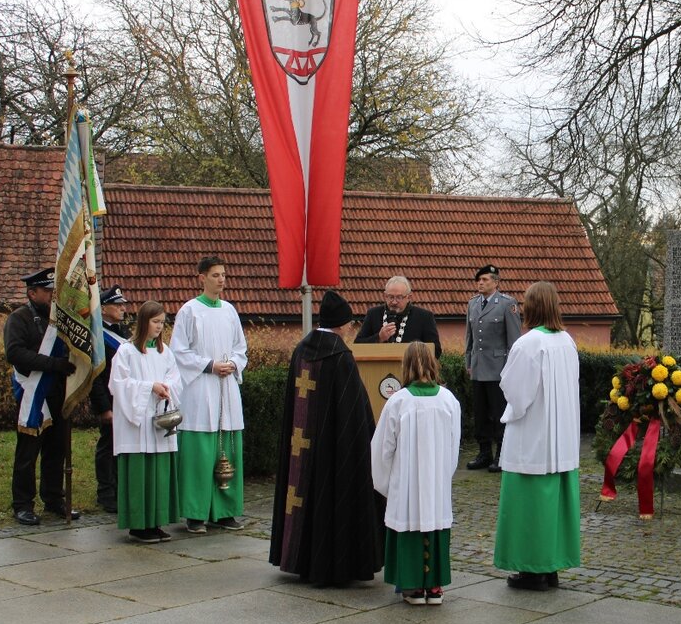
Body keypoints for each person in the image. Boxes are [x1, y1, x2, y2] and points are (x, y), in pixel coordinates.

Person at [270, 290, 385, 585]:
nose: (350, 329)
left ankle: (302, 558)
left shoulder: (301, 350)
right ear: (340, 324)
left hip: (301, 445)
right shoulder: (340, 356)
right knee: (331, 494)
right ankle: (334, 563)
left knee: (303, 494)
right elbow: (355, 412)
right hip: (335, 449)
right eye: (348, 324)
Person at [494, 281, 581, 591]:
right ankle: (552, 566)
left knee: (529, 506)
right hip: (561, 441)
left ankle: (532, 571)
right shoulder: (567, 341)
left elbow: (516, 392)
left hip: (532, 439)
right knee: (554, 506)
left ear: (529, 309)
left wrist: (510, 412)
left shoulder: (529, 343)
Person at [371, 342, 462, 605]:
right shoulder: (448, 399)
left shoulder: (398, 401)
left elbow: (382, 448)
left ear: (406, 366)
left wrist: (388, 485)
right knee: (434, 519)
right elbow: (454, 443)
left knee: (408, 519)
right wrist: (443, 475)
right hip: (436, 482)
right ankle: (434, 587)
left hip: (407, 483)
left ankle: (412, 586)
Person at [170, 256, 248, 534]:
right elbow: (178, 351)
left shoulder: (229, 311)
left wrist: (235, 364)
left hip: (226, 388)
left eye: (223, 274)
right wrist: (209, 365)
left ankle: (224, 511)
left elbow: (241, 347)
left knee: (227, 450)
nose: (221, 279)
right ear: (201, 278)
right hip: (201, 389)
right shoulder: (189, 311)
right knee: (200, 455)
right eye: (215, 275)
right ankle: (195, 513)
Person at [5, 267, 79, 526]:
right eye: (46, 291)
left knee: (57, 449)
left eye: (52, 291)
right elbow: (15, 353)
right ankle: (23, 504)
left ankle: (54, 498)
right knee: (28, 452)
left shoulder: (59, 320)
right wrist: (53, 364)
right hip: (32, 393)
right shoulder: (19, 318)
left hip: (57, 392)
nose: (50, 296)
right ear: (31, 292)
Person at [110, 300, 182, 543]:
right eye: (155, 322)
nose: (160, 327)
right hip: (137, 424)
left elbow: (176, 380)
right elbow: (118, 384)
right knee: (141, 472)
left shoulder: (166, 352)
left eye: (162, 322)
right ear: (143, 322)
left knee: (159, 473)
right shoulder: (126, 351)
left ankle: (156, 522)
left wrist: (166, 389)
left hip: (159, 420)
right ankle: (139, 525)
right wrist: (150, 387)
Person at [464, 264, 522, 472]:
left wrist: (511, 369)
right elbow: (469, 337)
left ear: (496, 283)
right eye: (479, 280)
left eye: (485, 280)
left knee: (498, 412)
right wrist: (468, 362)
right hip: (478, 368)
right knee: (480, 413)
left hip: (499, 368)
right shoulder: (473, 304)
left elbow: (514, 341)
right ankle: (484, 452)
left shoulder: (507, 304)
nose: (481, 283)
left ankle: (501, 454)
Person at [90, 285, 132, 513]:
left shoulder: (123, 333)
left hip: (125, 399)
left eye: (123, 304)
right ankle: (106, 492)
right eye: (117, 305)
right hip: (108, 399)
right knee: (108, 446)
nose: (122, 308)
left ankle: (119, 488)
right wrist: (102, 407)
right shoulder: (98, 335)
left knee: (122, 446)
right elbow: (95, 375)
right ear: (104, 309)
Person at [354, 276, 442, 358]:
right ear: (385, 296)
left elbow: (436, 350)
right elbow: (357, 345)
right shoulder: (373, 314)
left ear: (409, 297)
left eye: (399, 297)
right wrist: (379, 338)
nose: (394, 302)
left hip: (412, 371)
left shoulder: (424, 317)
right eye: (391, 297)